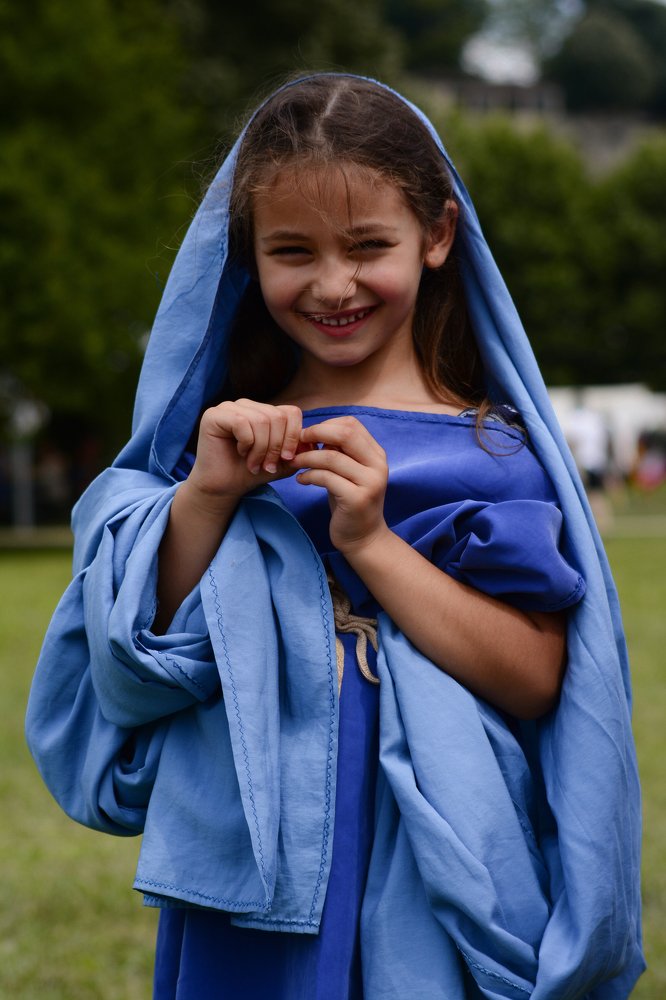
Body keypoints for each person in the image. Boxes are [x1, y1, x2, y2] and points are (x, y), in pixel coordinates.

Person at [25, 74, 643, 999]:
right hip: (251, 857)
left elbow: (537, 676)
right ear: (249, 255)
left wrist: (373, 543)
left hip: (428, 858)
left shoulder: (489, 451)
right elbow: (138, 655)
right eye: (292, 250)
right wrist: (207, 493)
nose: (332, 284)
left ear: (437, 236)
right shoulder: (224, 441)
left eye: (367, 246)